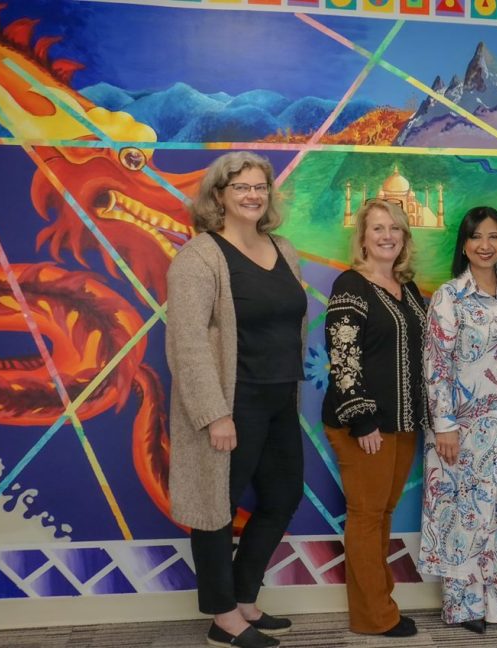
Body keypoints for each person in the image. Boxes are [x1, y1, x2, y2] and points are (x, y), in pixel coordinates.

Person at [167, 152, 306, 648]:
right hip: (231, 402)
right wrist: (215, 414)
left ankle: (245, 596)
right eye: (241, 187)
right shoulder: (200, 257)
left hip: (279, 398)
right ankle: (223, 617)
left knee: (284, 495)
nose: (252, 194)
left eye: (260, 186)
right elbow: (186, 344)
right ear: (219, 196)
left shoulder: (283, 249)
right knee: (215, 508)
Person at [418, 206, 497, 634]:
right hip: (463, 431)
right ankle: (463, 607)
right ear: (464, 244)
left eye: (495, 237)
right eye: (477, 237)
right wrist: (444, 424)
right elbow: (437, 366)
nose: (486, 245)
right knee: (463, 516)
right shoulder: (449, 296)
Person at [321, 199, 426, 638]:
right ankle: (373, 617)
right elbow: (342, 355)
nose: (387, 236)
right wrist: (362, 420)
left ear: (404, 237)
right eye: (378, 228)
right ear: (362, 237)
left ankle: (383, 602)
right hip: (364, 424)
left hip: (401, 423)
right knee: (366, 515)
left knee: (382, 514)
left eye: (395, 229)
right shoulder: (352, 285)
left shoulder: (409, 287)